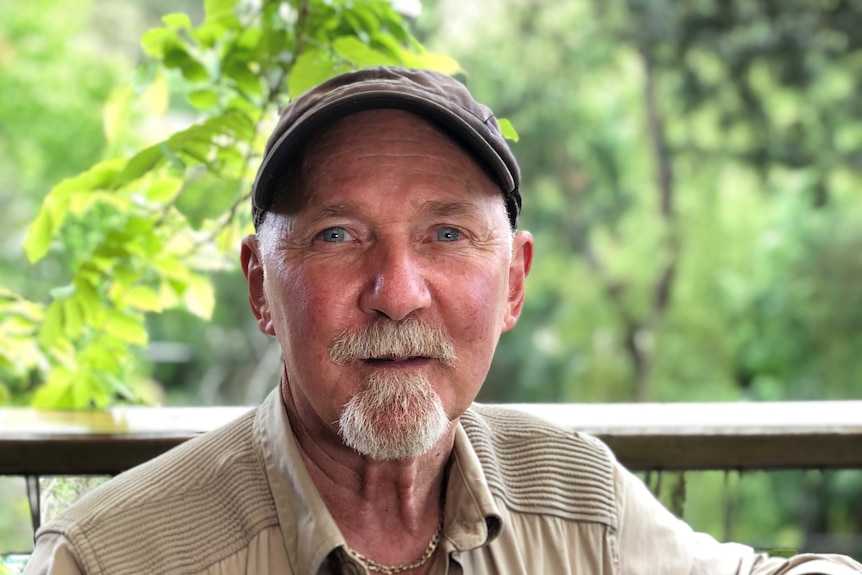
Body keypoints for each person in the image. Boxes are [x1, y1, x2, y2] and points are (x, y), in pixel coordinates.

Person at [24, 66, 862, 575]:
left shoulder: (578, 500)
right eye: (337, 235)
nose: (397, 291)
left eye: (447, 234)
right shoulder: (107, 557)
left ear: (514, 284)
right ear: (259, 287)